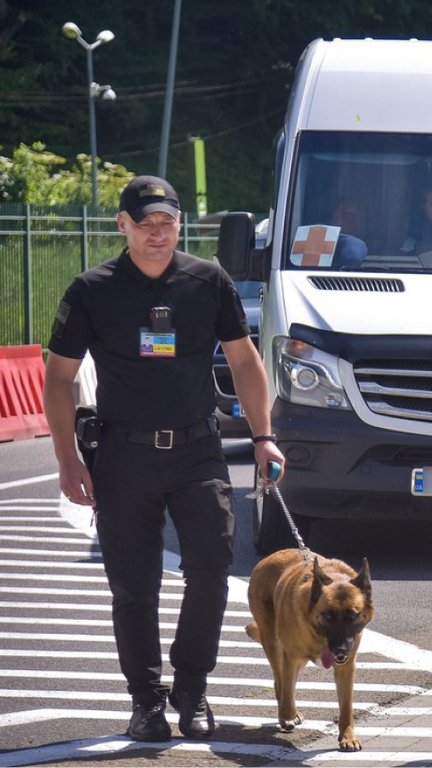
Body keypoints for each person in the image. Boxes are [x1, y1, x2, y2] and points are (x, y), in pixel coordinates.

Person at [42, 176, 286, 742]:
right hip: (122, 456)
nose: (158, 234)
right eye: (146, 223)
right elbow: (57, 379)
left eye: (168, 223)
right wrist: (67, 460)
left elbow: (246, 362)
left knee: (210, 567)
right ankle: (146, 700)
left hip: (198, 452)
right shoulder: (92, 289)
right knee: (134, 585)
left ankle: (193, 687)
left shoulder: (208, 281)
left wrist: (263, 436)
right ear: (123, 224)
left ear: (180, 224)